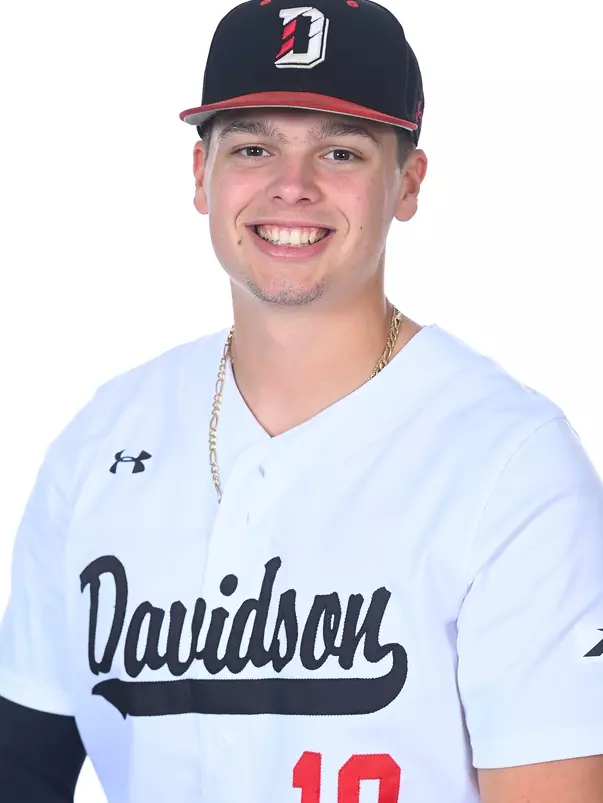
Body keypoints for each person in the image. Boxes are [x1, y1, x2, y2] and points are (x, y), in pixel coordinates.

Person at [1, 0, 602, 801]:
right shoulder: (101, 439)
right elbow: (25, 764)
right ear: (199, 176)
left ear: (407, 183)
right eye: (253, 147)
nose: (292, 187)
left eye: (341, 153)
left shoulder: (512, 463)